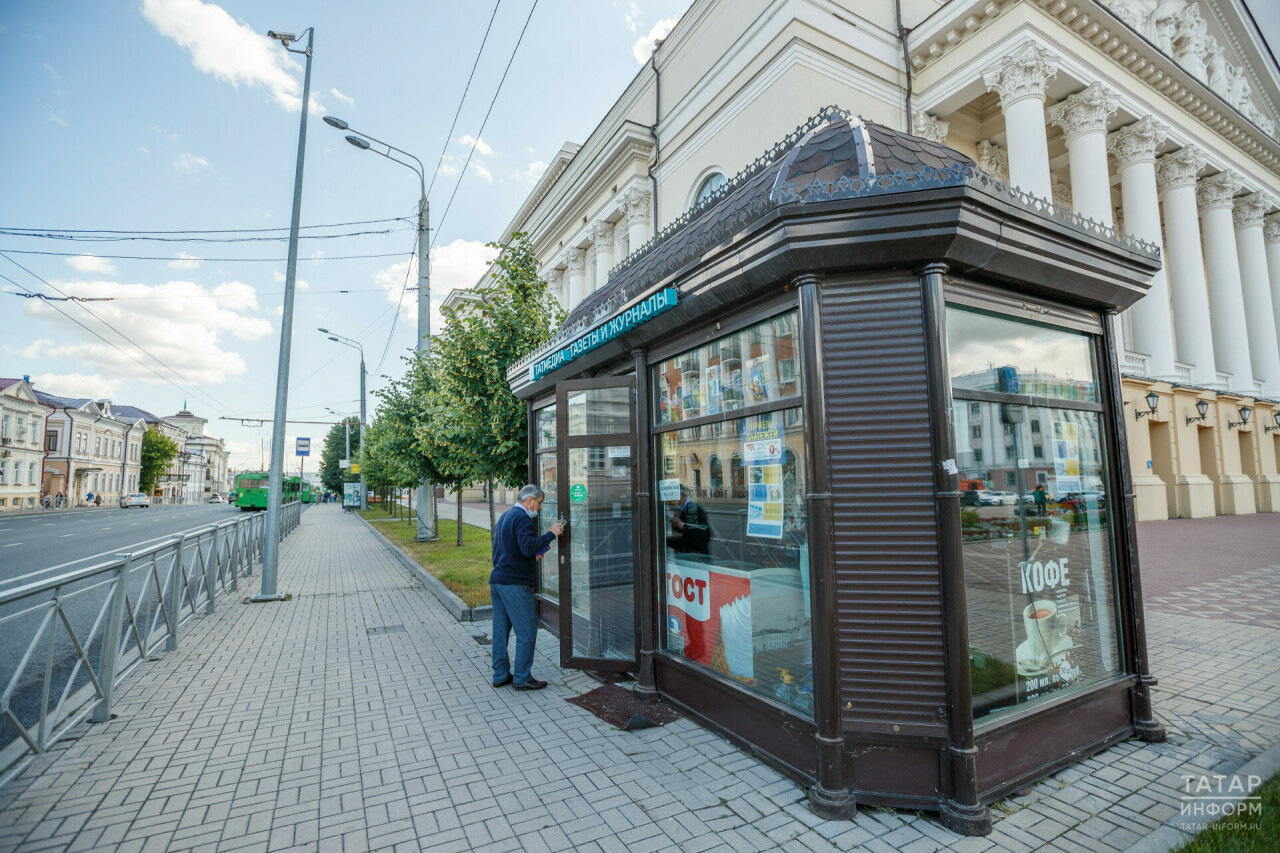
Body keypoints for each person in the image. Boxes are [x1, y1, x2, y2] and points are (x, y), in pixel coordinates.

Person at [489, 484, 564, 690]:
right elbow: (527, 546)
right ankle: (522, 677)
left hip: (498, 581)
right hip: (515, 584)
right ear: (530, 501)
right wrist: (551, 533)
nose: (538, 508)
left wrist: (532, 556)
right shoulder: (522, 518)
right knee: (528, 630)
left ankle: (501, 675)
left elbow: (511, 550)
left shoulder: (505, 516)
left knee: (500, 632)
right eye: (538, 503)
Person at [667, 484, 711, 554]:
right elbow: (679, 536)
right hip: (684, 554)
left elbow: (704, 535)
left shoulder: (693, 509)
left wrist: (682, 526)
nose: (671, 501)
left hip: (695, 556)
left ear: (682, 496)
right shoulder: (679, 510)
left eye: (674, 497)